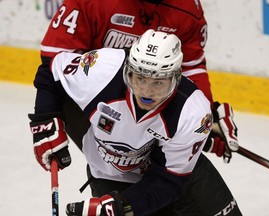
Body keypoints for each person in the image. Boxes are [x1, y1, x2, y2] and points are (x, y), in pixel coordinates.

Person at [29, 29, 242, 216]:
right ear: (128, 70)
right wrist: (45, 122)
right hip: (111, 176)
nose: (146, 92)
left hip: (171, 174)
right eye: (139, 78)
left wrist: (121, 207)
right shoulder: (103, 68)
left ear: (176, 78)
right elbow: (51, 71)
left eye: (158, 82)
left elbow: (169, 182)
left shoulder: (192, 111)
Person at [37, 0, 239, 163]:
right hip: (94, 105)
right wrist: (46, 118)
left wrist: (205, 119)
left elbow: (190, 68)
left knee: (175, 184)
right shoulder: (90, 2)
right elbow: (54, 63)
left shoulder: (187, 8)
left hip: (151, 103)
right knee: (123, 180)